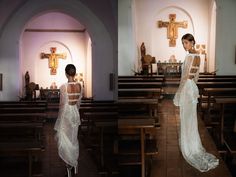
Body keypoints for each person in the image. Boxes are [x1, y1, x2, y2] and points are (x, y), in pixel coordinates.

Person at [173, 33, 219, 172]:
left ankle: (189, 147)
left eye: (186, 43)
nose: (184, 46)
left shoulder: (189, 57)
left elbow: (185, 76)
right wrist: (192, 87)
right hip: (193, 88)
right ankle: (193, 144)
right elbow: (196, 77)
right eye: (183, 43)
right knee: (191, 118)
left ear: (192, 42)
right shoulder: (198, 56)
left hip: (187, 89)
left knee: (187, 119)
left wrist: (179, 92)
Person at [54, 64, 83, 177]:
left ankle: (69, 166)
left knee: (65, 140)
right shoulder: (80, 86)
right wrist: (76, 112)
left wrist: (59, 119)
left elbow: (62, 105)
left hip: (66, 114)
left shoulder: (63, 87)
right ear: (74, 73)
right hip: (75, 113)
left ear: (66, 73)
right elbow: (79, 103)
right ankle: (75, 164)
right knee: (73, 139)